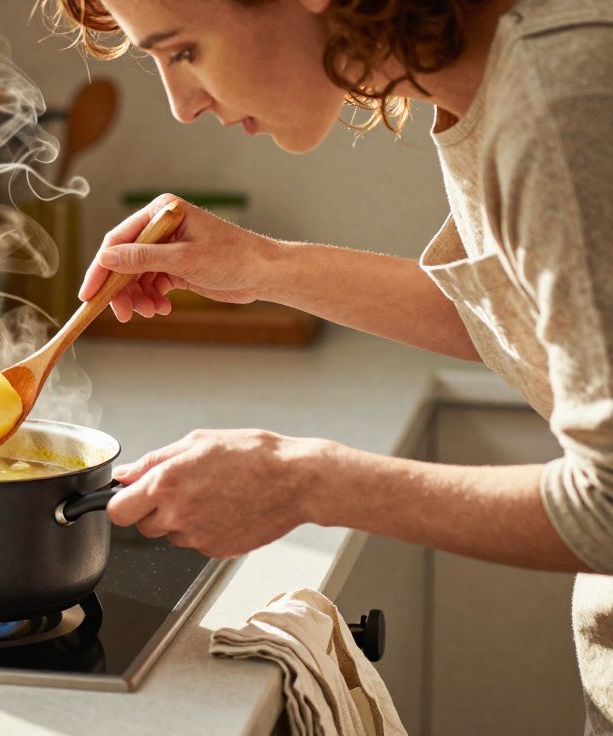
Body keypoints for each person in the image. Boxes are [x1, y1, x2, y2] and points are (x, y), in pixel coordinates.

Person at [39, 0, 613, 730]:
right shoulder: (491, 77)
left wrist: (301, 481)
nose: (181, 107)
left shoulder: (556, 101)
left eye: (182, 52)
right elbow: (529, 318)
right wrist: (261, 265)